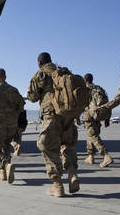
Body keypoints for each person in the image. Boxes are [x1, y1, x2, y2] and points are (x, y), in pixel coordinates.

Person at [27, 53, 80, 196]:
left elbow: (32, 97)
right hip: (68, 117)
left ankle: (57, 185)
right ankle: (72, 173)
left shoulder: (41, 74)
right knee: (67, 146)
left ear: (39, 63)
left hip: (51, 116)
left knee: (48, 147)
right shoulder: (64, 71)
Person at [82, 73, 114, 167]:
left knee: (93, 136)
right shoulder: (99, 89)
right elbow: (106, 104)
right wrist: (107, 118)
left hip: (89, 115)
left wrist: (76, 116)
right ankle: (91, 156)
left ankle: (106, 155)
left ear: (85, 80)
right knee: (90, 135)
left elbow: (82, 104)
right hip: (97, 116)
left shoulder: (85, 90)